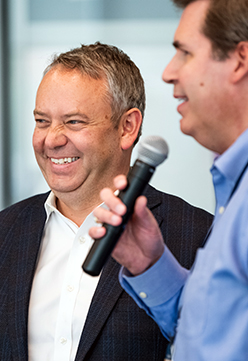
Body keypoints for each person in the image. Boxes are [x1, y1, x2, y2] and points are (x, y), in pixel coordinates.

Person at [89, 1, 248, 360]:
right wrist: (149, 264)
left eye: (185, 53)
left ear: (240, 60)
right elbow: (225, 336)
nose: (168, 72)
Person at [0, 42, 213, 361]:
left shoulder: (198, 236)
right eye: (42, 121)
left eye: (73, 122)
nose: (52, 139)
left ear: (128, 127)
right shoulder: (5, 232)